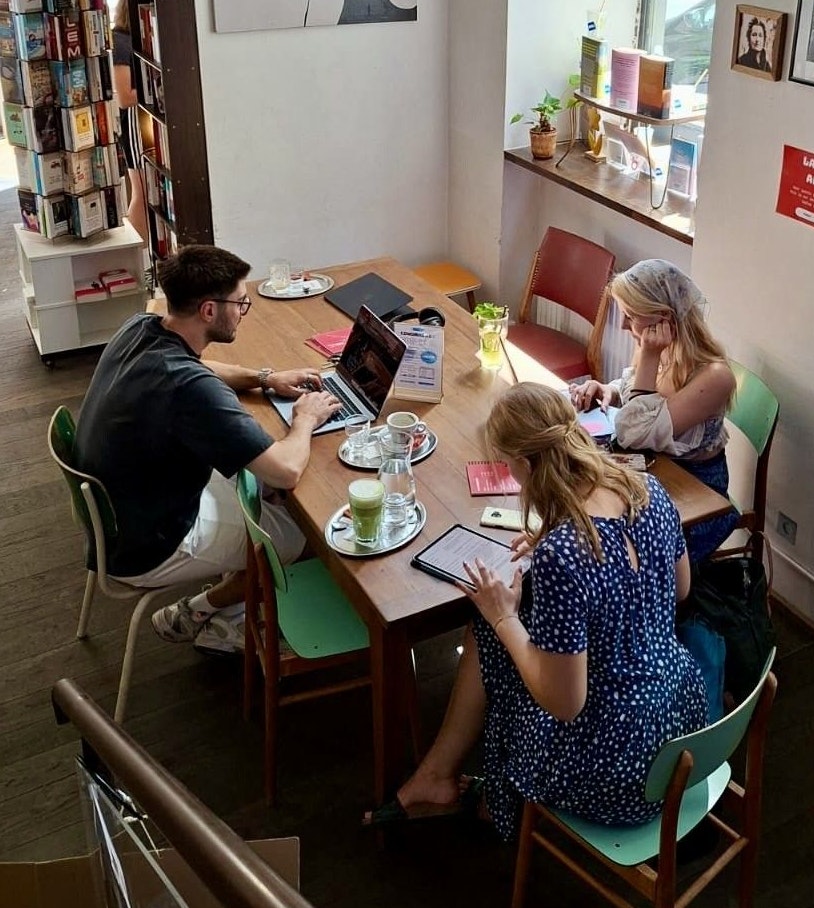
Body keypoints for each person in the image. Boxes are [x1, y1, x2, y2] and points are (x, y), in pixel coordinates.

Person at [365, 383, 708, 839]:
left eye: (509, 466)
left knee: (493, 632)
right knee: (496, 631)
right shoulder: (646, 488)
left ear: (526, 465)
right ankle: (438, 776)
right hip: (679, 719)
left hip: (620, 768)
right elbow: (680, 588)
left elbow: (566, 704)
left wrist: (504, 616)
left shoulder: (564, 554)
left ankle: (493, 795)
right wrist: (553, 540)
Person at [73, 245, 342, 652]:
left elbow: (204, 368)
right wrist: (305, 418)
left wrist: (265, 378)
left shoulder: (141, 327)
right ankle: (205, 613)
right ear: (209, 311)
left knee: (261, 487)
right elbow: (285, 469)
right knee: (307, 535)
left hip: (127, 507)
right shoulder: (188, 389)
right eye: (240, 303)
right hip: (151, 543)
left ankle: (223, 599)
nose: (242, 311)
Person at [570, 259, 738, 564]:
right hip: (655, 471)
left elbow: (634, 434)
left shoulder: (714, 377)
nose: (623, 326)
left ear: (663, 319)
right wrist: (609, 390)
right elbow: (639, 397)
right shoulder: (657, 349)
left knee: (615, 552)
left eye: (630, 316)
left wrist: (648, 355)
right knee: (584, 515)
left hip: (694, 493)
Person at [111, 0, 148, 243]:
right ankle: (139, 256)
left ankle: (146, 257)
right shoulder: (121, 40)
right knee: (142, 191)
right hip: (136, 121)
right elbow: (124, 97)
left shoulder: (139, 38)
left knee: (149, 192)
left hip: (146, 122)